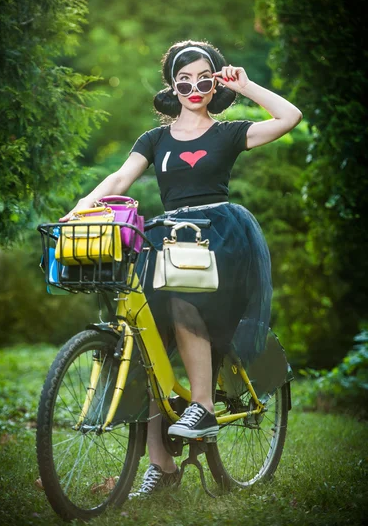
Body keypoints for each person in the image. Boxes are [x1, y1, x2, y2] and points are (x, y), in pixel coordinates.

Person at [60, 40, 302, 497]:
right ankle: (162, 465)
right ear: (172, 86)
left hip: (219, 235)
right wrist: (83, 206)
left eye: (204, 79)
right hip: (168, 235)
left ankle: (205, 405)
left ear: (214, 84)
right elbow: (118, 179)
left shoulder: (228, 133)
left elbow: (288, 118)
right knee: (148, 342)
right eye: (184, 80)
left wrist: (248, 87)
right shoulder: (154, 140)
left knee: (185, 301)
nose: (194, 87)